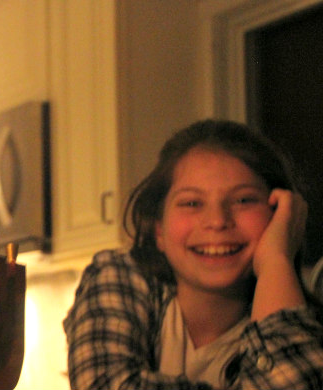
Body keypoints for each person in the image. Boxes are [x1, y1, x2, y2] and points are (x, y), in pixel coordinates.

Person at [63, 119, 323, 389]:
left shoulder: (307, 334)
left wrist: (275, 262)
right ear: (159, 231)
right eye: (192, 203)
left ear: (281, 217)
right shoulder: (119, 275)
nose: (217, 221)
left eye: (244, 200)